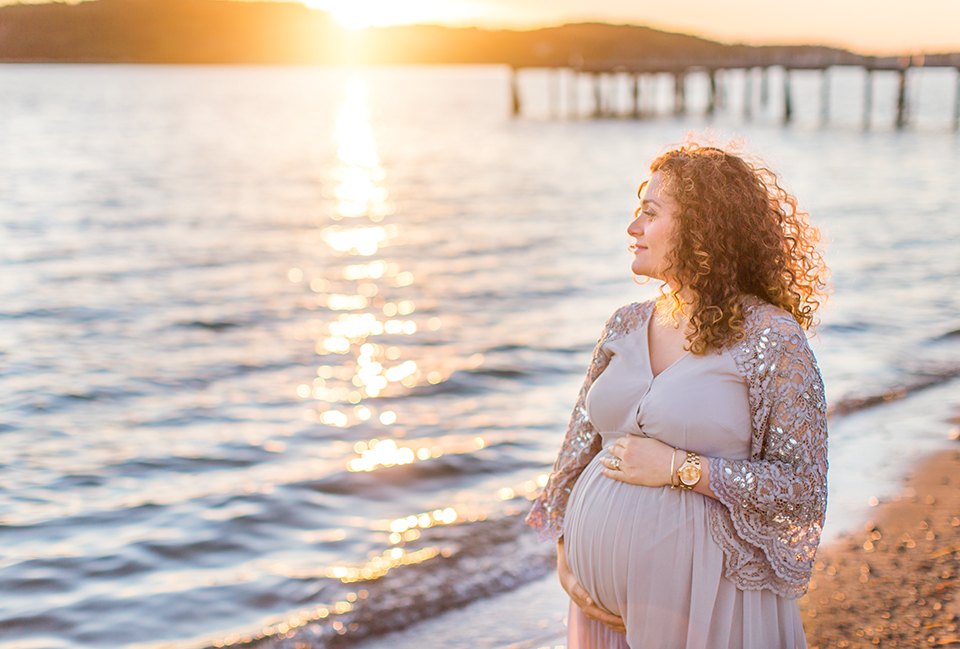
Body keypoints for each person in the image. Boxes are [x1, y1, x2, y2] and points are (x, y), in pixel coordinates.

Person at [526, 141, 830, 649]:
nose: (632, 228)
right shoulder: (625, 323)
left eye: (649, 213)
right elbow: (576, 452)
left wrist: (682, 469)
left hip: (709, 604)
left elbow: (802, 488)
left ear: (702, 228)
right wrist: (567, 560)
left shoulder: (772, 338)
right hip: (598, 612)